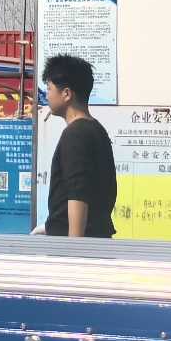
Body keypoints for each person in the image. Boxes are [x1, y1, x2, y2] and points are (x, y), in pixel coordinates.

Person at [40, 52, 116, 240]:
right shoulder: (96, 130)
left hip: (76, 248)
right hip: (96, 239)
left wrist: (75, 250)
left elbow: (78, 194)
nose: (47, 96)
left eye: (49, 89)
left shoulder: (76, 134)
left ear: (66, 94)